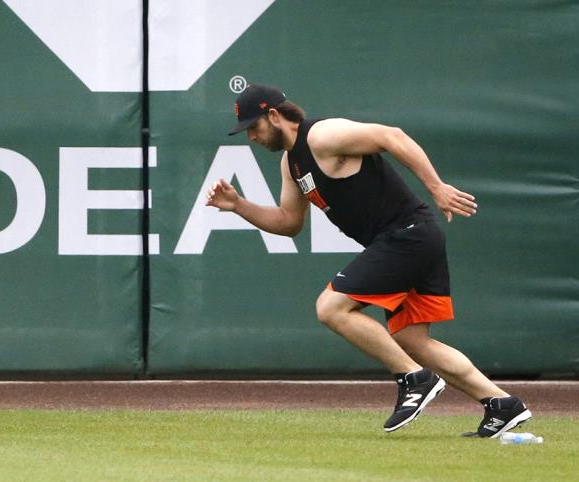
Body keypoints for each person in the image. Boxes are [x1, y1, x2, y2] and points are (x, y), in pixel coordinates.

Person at [208, 84, 531, 437]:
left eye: (254, 127)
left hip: (407, 235)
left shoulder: (322, 136)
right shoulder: (292, 163)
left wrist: (436, 186)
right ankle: (501, 405)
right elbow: (289, 223)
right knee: (412, 339)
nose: (251, 136)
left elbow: (391, 136)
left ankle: (414, 379)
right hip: (412, 237)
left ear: (274, 116)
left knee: (330, 308)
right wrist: (239, 206)